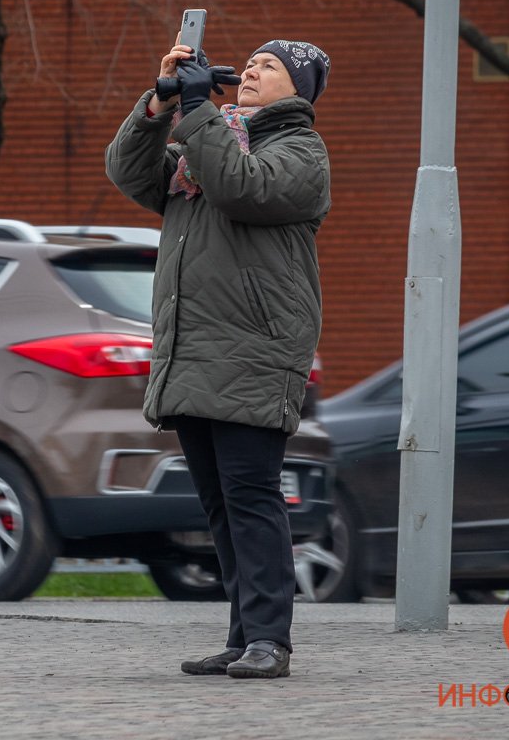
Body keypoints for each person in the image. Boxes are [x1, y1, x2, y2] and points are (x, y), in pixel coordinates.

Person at [104, 38, 331, 680]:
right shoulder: (206, 140)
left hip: (255, 349)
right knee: (221, 504)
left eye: (272, 67)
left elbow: (240, 188)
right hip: (198, 348)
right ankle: (243, 634)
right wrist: (160, 101)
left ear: (301, 90)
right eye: (252, 63)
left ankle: (270, 640)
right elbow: (129, 171)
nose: (255, 71)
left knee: (252, 495)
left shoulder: (300, 153)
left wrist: (199, 106)